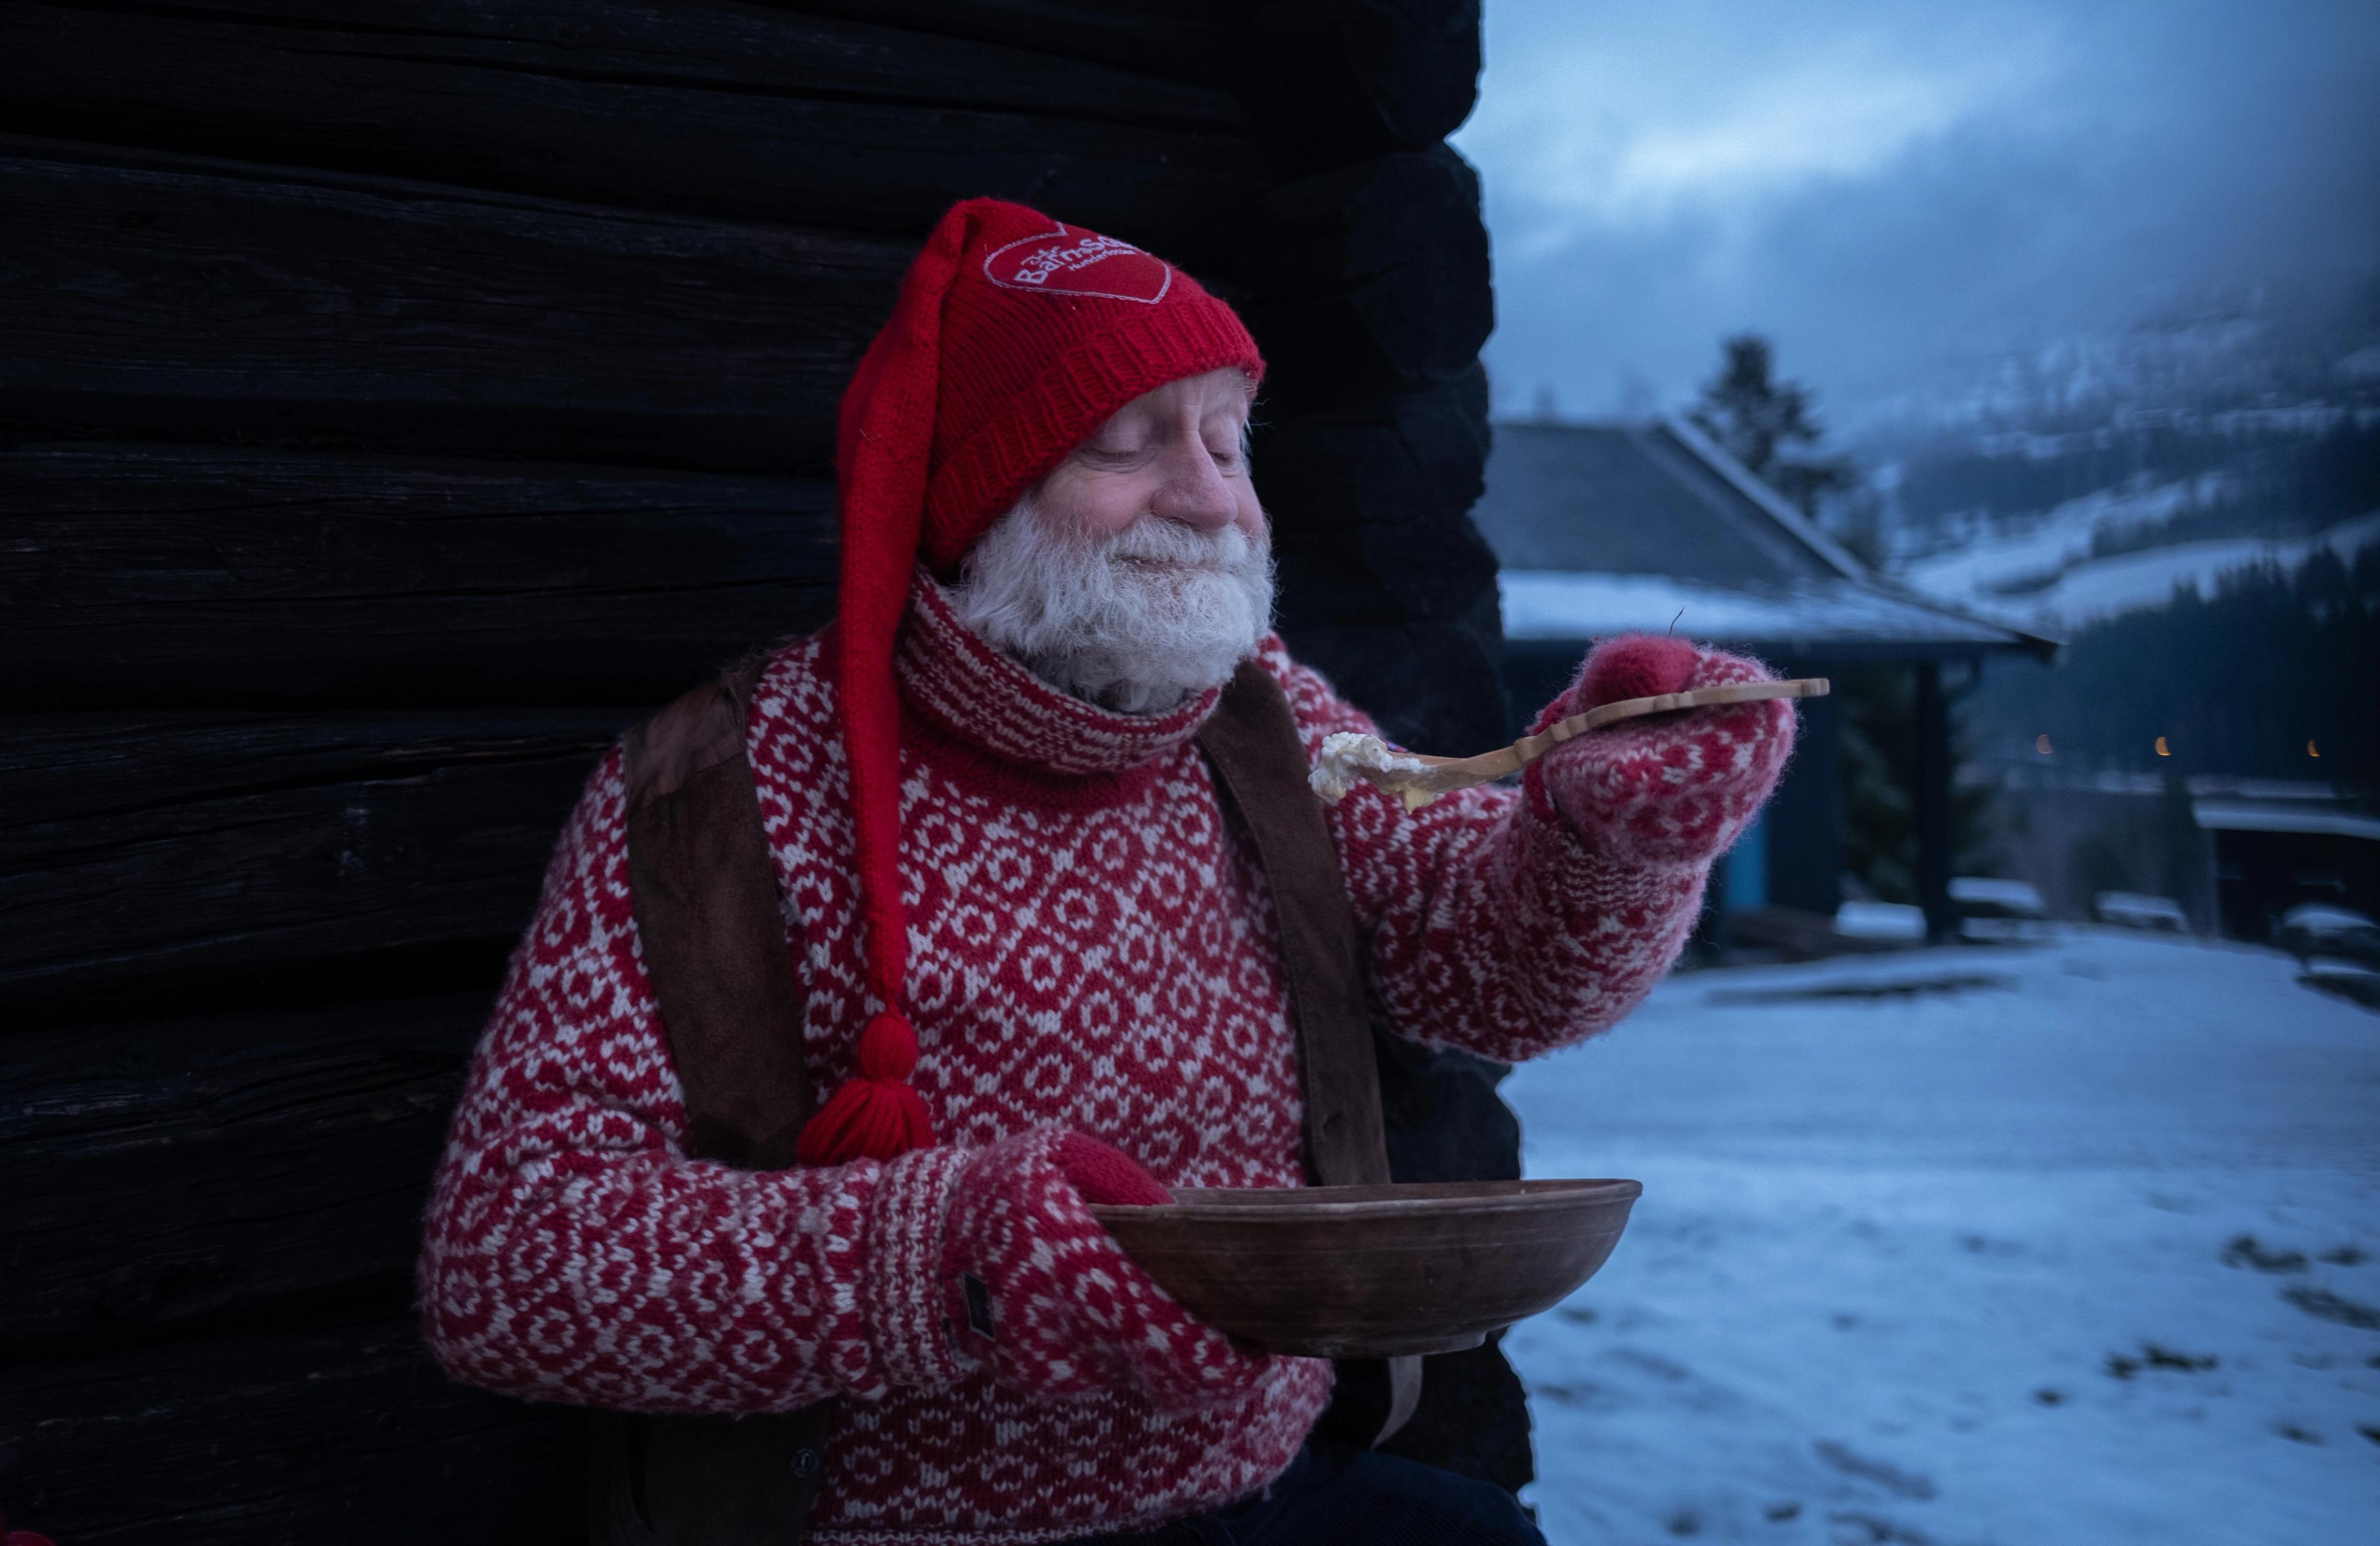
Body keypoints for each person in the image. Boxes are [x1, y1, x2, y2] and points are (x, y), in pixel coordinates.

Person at [417, 199, 1796, 1543]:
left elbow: (1489, 977)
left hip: (1271, 1491)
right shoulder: (715, 793)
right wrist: (950, 1252)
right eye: (1127, 443)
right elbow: (505, 1262)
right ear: (978, 501)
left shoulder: (1264, 721)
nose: (1210, 497)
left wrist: (1612, 840)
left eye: (1224, 439)